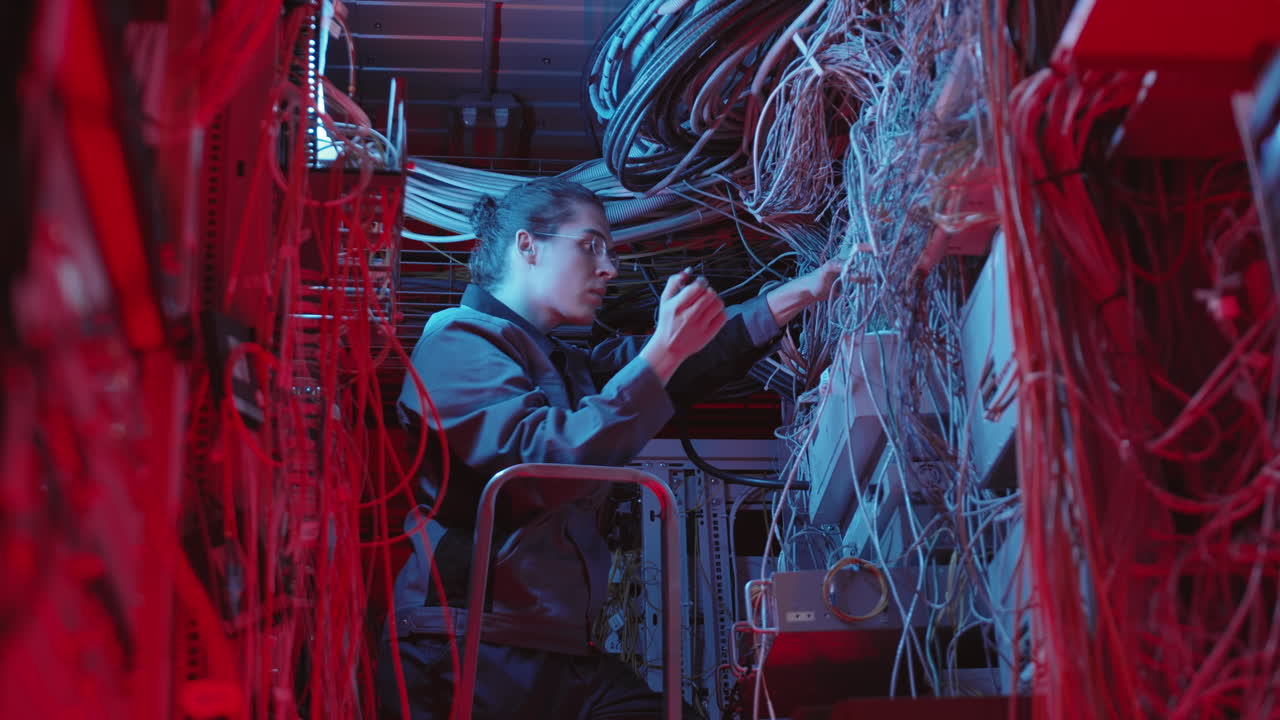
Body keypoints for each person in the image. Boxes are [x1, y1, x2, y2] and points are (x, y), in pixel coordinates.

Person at [378, 177, 838, 720]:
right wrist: (662, 354)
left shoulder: (562, 365)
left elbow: (678, 364)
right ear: (527, 246)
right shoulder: (455, 340)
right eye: (590, 244)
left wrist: (809, 288)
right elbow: (543, 461)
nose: (609, 268)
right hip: (463, 653)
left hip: (551, 651)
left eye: (611, 252)